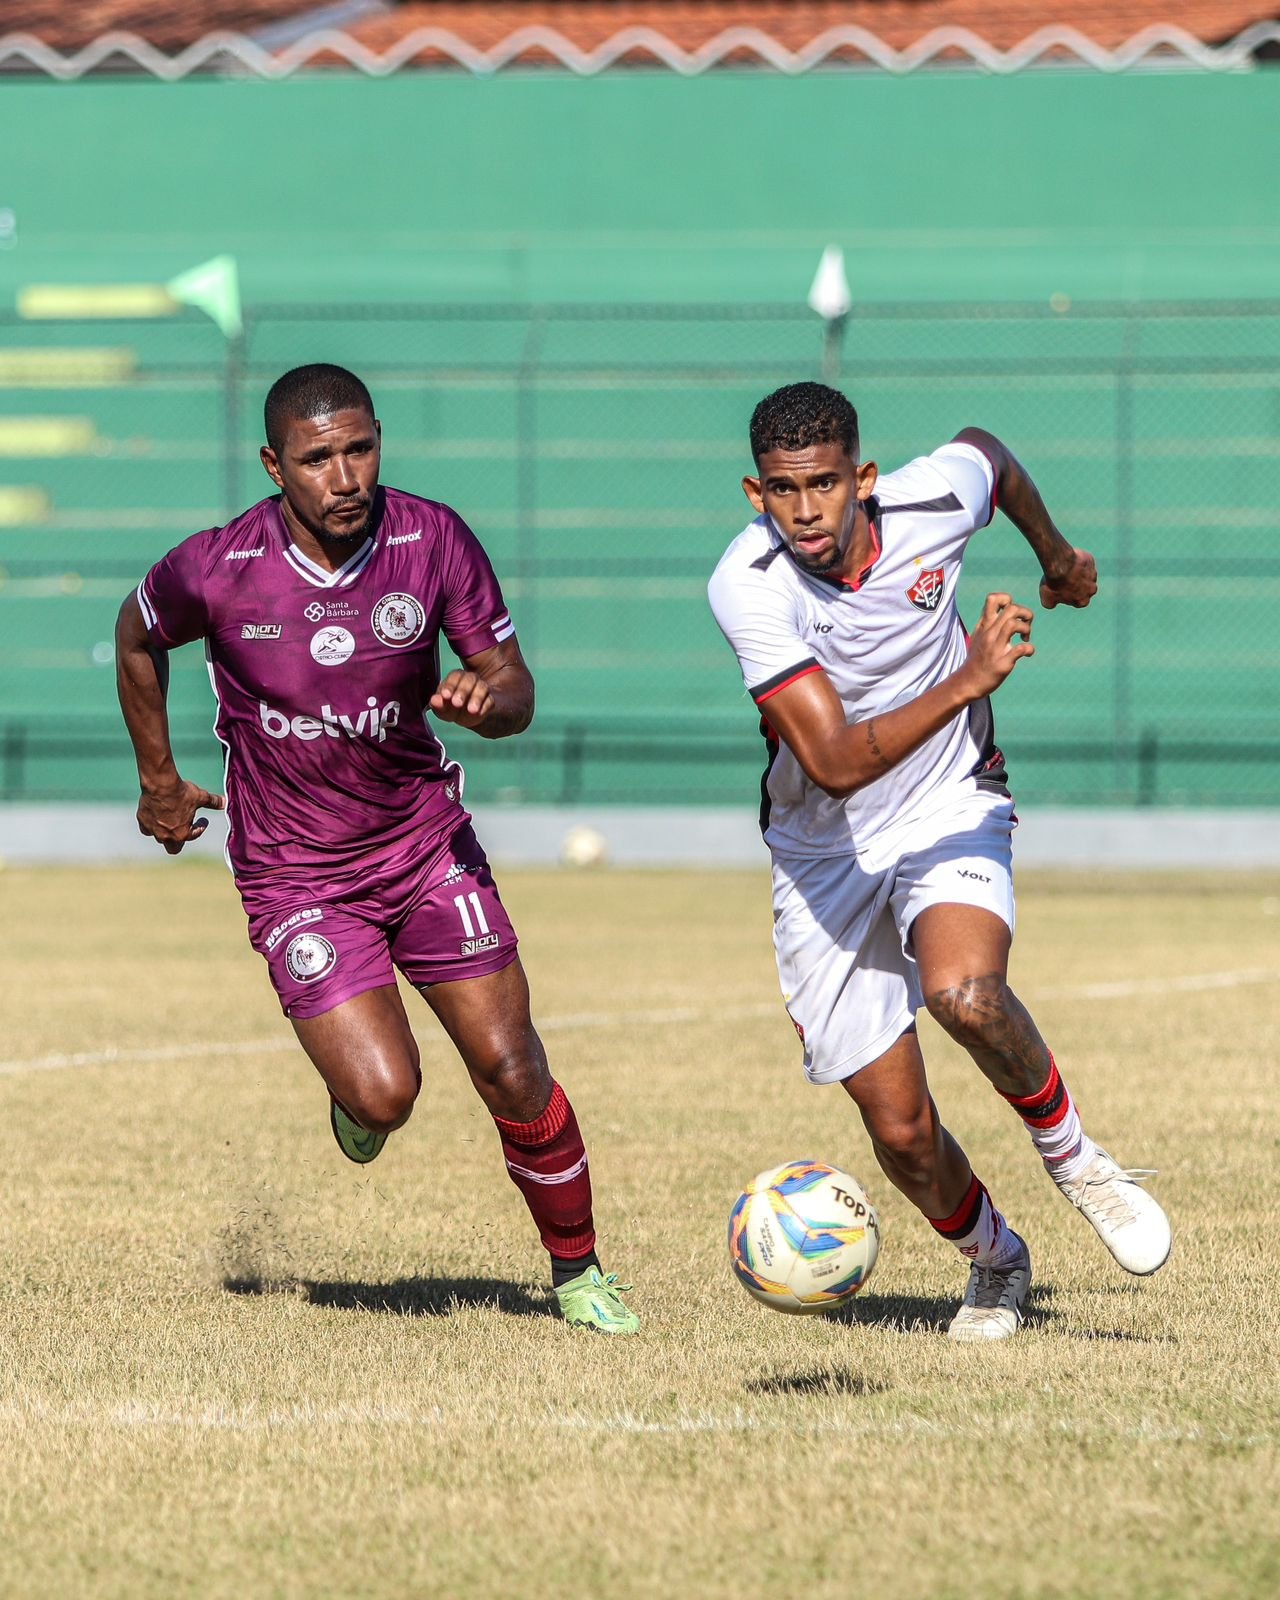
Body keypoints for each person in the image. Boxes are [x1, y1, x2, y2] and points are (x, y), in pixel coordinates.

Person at [115, 362, 638, 1335]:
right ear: (276, 465)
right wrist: (157, 777)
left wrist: (492, 705)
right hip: (296, 873)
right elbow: (137, 634)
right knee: (386, 1093)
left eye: (360, 448)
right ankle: (357, 1101)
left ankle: (579, 1275)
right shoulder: (217, 566)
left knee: (510, 1064)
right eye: (318, 459)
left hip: (424, 848)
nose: (345, 476)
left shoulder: (429, 537)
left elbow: (511, 681)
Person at [707, 381, 1170, 1342]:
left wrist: (1058, 557)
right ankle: (996, 1261)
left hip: (948, 800)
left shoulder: (929, 500)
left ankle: (1076, 1159)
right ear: (757, 494)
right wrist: (971, 676)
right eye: (785, 491)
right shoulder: (747, 583)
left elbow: (988, 456)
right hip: (820, 854)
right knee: (903, 1133)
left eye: (826, 485)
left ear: (863, 479)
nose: (806, 512)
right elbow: (831, 764)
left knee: (969, 994)